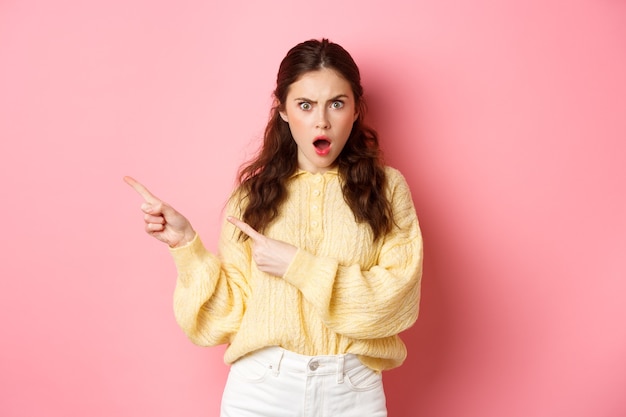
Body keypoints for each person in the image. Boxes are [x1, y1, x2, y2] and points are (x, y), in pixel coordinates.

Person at [125, 38, 423, 417]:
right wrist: (186, 246)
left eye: (336, 103)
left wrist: (298, 265)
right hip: (262, 390)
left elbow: (395, 301)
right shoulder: (253, 196)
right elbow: (226, 316)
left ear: (355, 110)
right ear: (283, 111)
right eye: (305, 105)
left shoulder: (388, 188)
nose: (322, 121)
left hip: (353, 392)